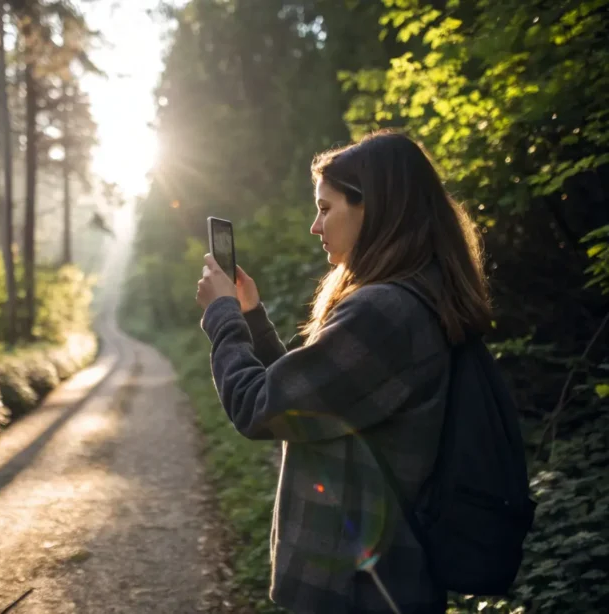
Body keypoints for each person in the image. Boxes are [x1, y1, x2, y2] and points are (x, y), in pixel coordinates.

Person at [195, 129, 493, 614]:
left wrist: (222, 316)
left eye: (325, 208)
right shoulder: (417, 295)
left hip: (355, 588)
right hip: (384, 579)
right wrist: (250, 317)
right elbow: (311, 400)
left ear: (373, 209)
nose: (315, 226)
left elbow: (259, 408)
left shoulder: (384, 312)